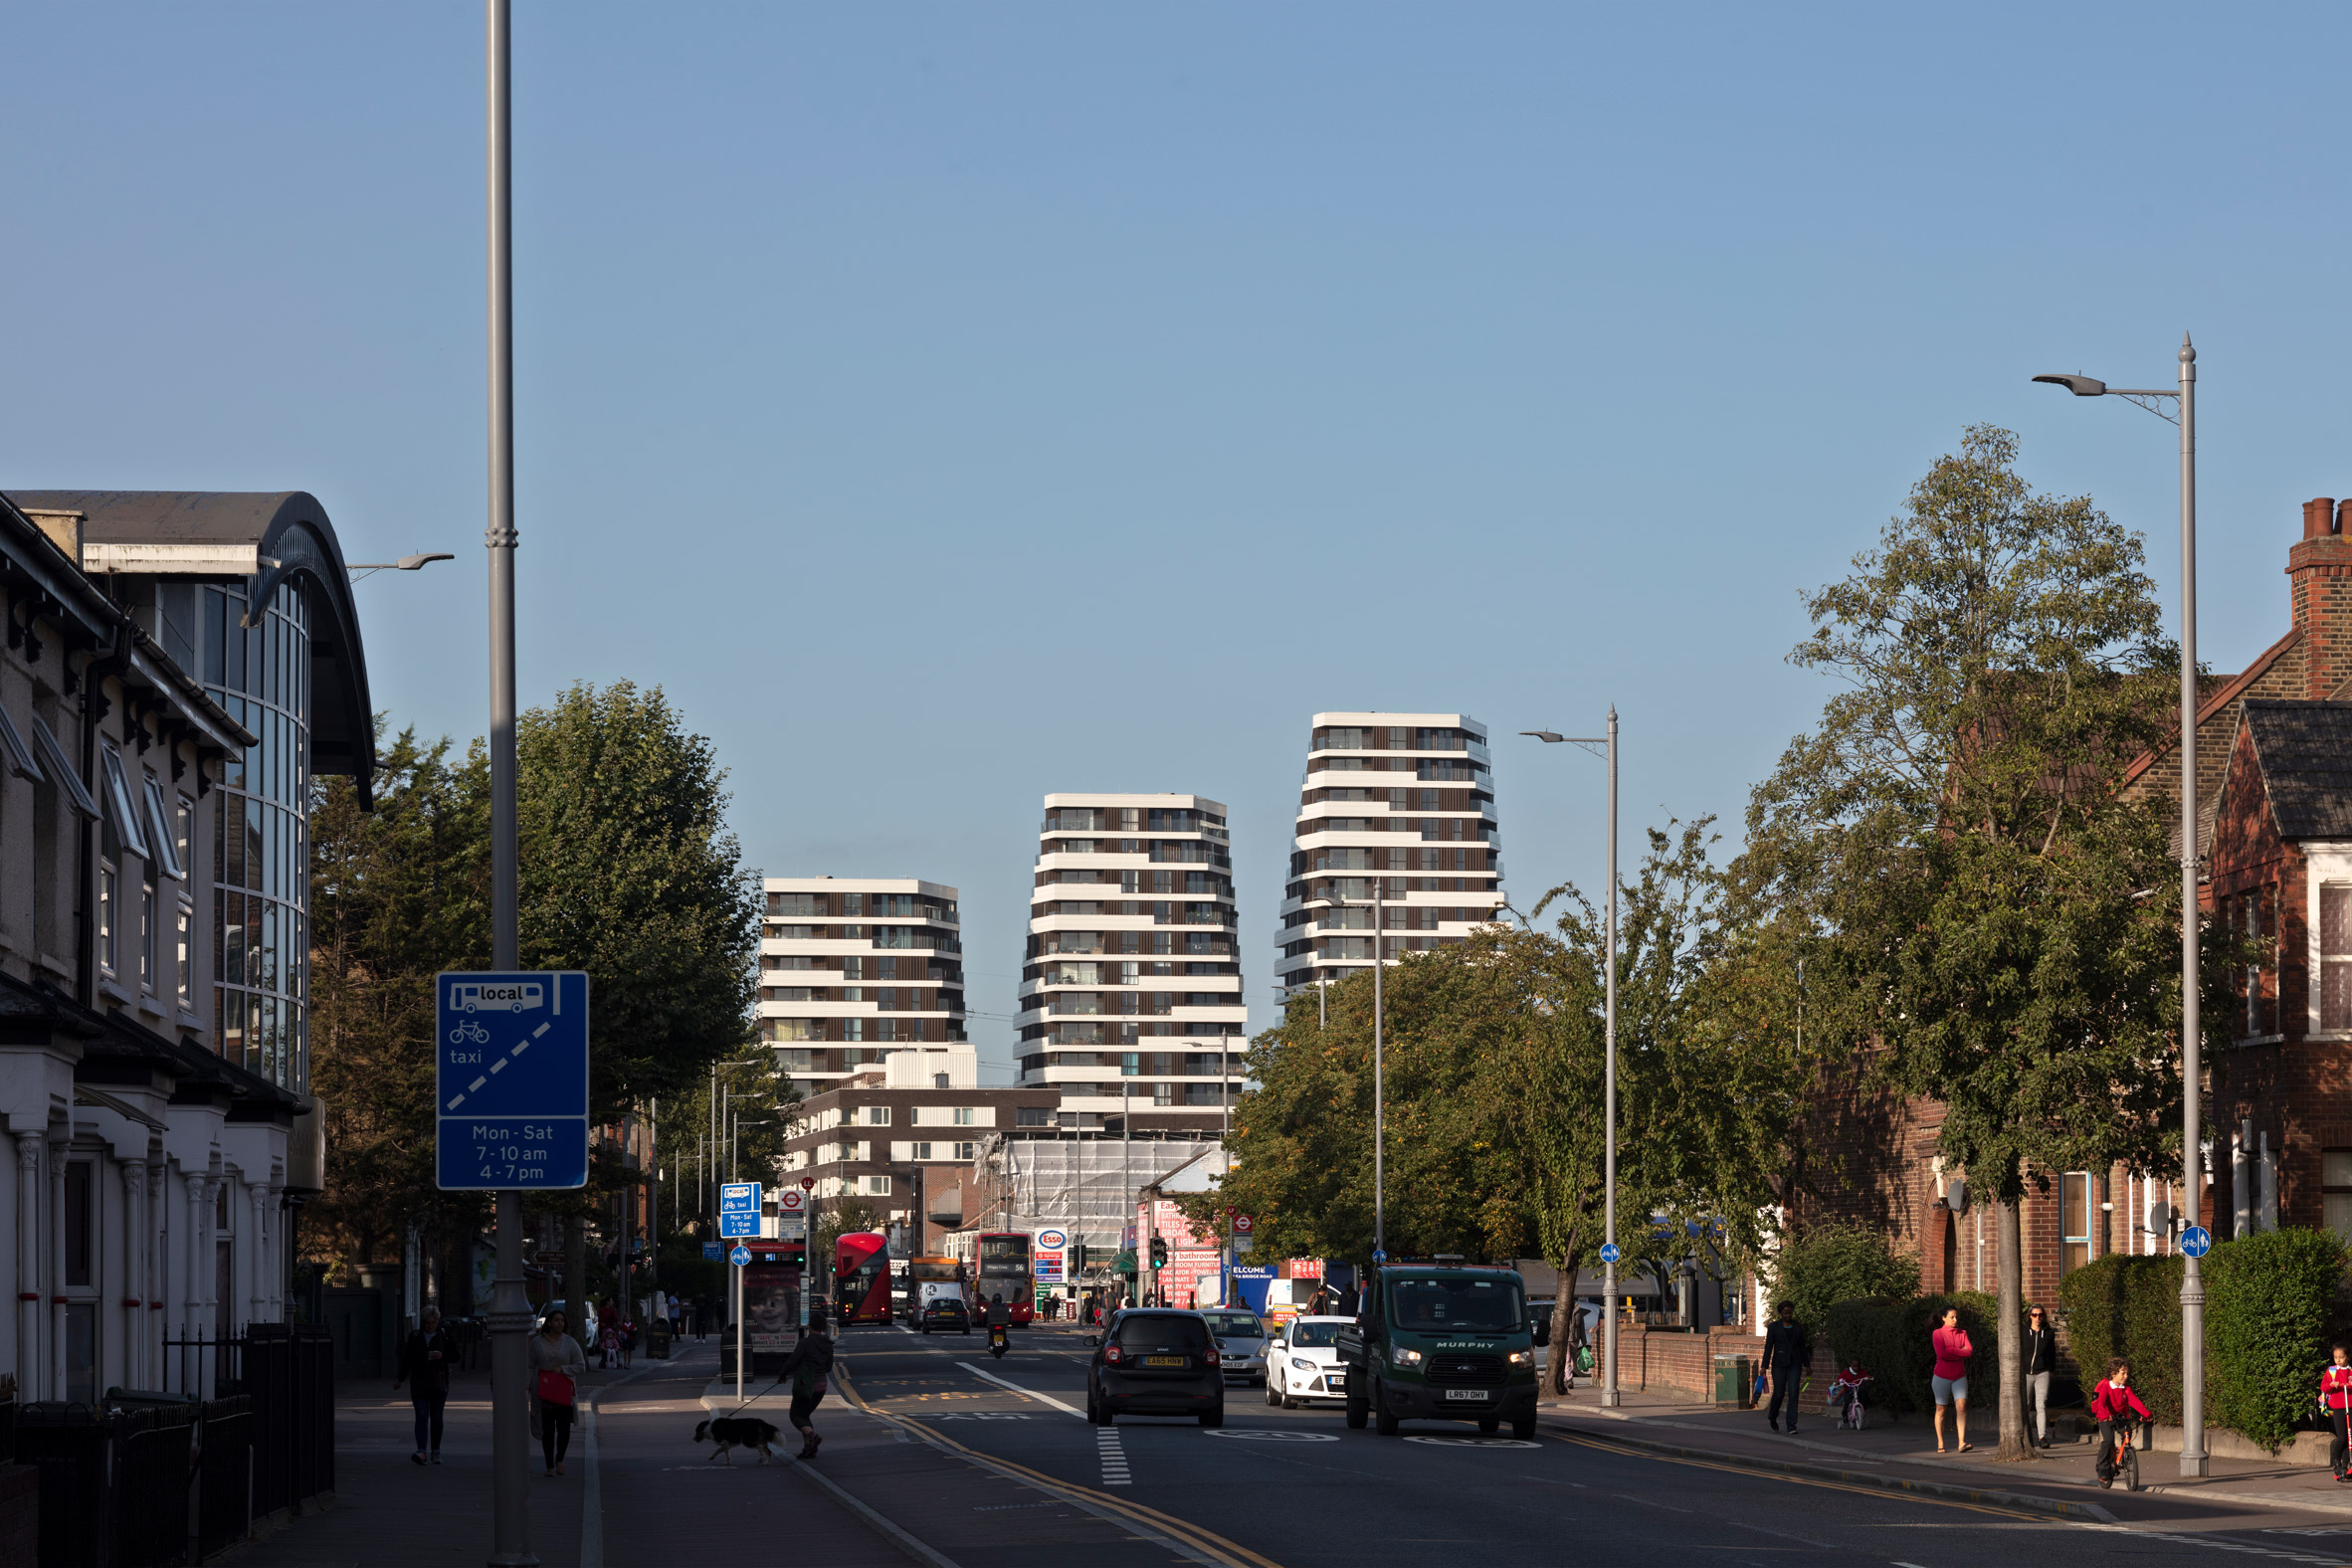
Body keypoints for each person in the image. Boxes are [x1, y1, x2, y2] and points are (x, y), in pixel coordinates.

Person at [530, 1307, 588, 1478]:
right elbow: (529, 1365)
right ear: (549, 1322)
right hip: (544, 1392)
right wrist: (526, 1386)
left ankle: (560, 1459)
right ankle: (549, 1465)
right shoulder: (537, 1343)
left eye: (562, 1320)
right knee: (547, 1431)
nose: (559, 1323)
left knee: (564, 1429)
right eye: (556, 1320)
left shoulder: (570, 1342)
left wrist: (563, 1369)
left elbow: (581, 1365)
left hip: (563, 1392)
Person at [393, 1305, 454, 1466]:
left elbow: (455, 1355)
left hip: (439, 1382)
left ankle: (436, 1450)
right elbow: (407, 1358)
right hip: (419, 1382)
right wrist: (400, 1379)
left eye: (433, 1322)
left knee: (436, 1417)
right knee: (421, 1416)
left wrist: (442, 1356)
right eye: (427, 1322)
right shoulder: (415, 1336)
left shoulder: (444, 1335)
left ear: (437, 1321)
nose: (430, 1326)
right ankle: (421, 1451)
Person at [780, 1311, 836, 1459]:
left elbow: (792, 1361)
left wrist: (782, 1375)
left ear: (810, 1326)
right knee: (804, 1415)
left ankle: (813, 1436)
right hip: (822, 1385)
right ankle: (808, 1448)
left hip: (806, 1385)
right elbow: (828, 1367)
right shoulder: (828, 1344)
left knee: (795, 1416)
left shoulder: (805, 1343)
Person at [2091, 1358, 2150, 1488]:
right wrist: (2104, 1415)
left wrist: (2147, 1414)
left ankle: (2125, 1456)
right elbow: (2101, 1403)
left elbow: (2135, 1402)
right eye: (2123, 1373)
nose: (2126, 1376)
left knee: (2127, 1433)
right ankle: (2103, 1468)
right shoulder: (2106, 1386)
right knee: (2108, 1441)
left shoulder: (2126, 1389)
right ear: (2113, 1373)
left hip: (2120, 1417)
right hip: (2105, 1418)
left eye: (2127, 1373)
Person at [1761, 1301, 1812, 1435]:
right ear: (1780, 1313)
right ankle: (1773, 1416)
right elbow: (1768, 1347)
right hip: (1779, 1364)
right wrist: (1764, 1366)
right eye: (1785, 1313)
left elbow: (1802, 1347)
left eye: (1790, 1313)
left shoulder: (1798, 1326)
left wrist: (1807, 1365)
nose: (1788, 1315)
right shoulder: (1773, 1327)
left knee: (1794, 1392)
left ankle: (1791, 1425)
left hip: (1795, 1363)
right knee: (1779, 1393)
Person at [1931, 1306, 1975, 1454]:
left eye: (1956, 1317)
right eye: (1952, 1317)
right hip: (1941, 1376)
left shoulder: (1962, 1333)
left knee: (1961, 1406)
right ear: (1944, 1318)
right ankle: (1940, 1443)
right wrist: (1959, 1352)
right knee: (1941, 1409)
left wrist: (1951, 1350)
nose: (1955, 1320)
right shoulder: (1938, 1333)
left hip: (1959, 1376)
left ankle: (1962, 1442)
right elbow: (1941, 1355)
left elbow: (1969, 1352)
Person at [2023, 1305, 2059, 1448]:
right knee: (2026, 1405)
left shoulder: (2048, 1333)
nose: (2037, 1318)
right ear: (2030, 1316)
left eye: (2040, 1315)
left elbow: (2051, 1352)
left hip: (2042, 1372)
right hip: (2026, 1372)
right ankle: (2025, 1436)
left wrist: (2052, 1369)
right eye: (2034, 1315)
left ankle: (2042, 1436)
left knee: (2041, 1404)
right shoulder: (2023, 1331)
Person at [2322, 1342, 2352, 1480]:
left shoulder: (2350, 1371)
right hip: (2339, 1407)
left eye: (2341, 1357)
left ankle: (2345, 1466)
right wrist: (2331, 1385)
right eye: (2336, 1357)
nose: (2338, 1360)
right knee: (2342, 1437)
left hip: (2350, 1406)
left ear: (2347, 1357)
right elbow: (2324, 1387)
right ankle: (2336, 1460)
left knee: (2349, 1438)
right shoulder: (2332, 1371)